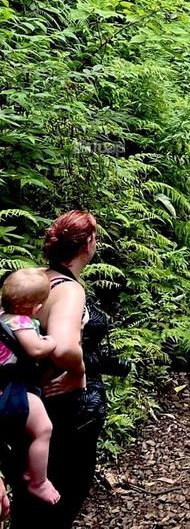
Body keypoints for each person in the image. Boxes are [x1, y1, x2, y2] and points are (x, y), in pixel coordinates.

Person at [5, 210, 110, 529]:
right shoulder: (68, 290)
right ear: (87, 245)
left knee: (28, 501)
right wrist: (78, 373)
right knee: (58, 504)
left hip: (21, 402)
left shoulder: (29, 279)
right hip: (65, 412)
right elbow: (64, 347)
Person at [0, 270, 59, 504]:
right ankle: (38, 481)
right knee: (43, 428)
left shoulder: (2, 315)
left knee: (24, 431)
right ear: (36, 308)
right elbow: (35, 350)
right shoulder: (20, 322)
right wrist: (51, 341)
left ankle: (28, 466)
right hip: (7, 389)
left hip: (6, 385)